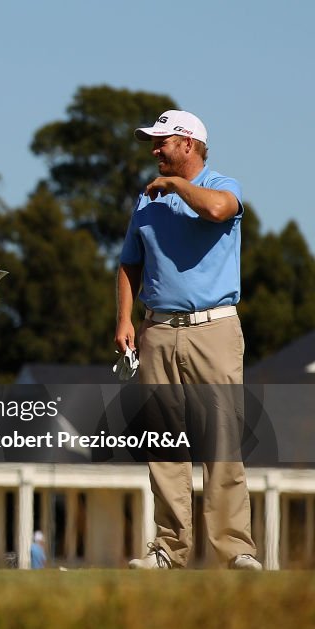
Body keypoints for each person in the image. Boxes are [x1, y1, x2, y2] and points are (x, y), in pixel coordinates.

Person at [116, 110, 261, 570]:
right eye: (152, 143)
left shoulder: (224, 185)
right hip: (157, 330)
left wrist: (176, 187)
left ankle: (234, 549)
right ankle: (167, 550)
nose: (154, 150)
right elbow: (129, 262)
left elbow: (217, 210)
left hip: (214, 329)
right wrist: (124, 319)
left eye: (161, 142)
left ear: (188, 143)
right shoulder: (146, 200)